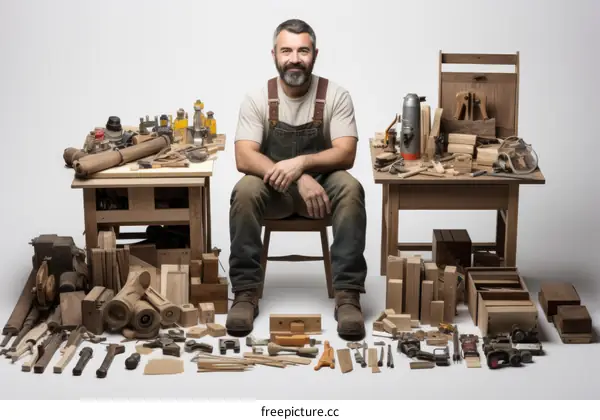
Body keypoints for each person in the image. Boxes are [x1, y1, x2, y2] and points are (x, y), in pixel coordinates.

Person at [226, 18, 368, 341]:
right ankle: (246, 293)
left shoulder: (336, 95)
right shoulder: (258, 98)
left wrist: (302, 165)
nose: (294, 58)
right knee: (244, 190)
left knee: (351, 188)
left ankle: (348, 296)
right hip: (273, 195)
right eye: (286, 50)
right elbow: (243, 157)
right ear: (273, 54)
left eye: (302, 50)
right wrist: (295, 178)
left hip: (322, 194)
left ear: (314, 54)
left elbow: (346, 153)